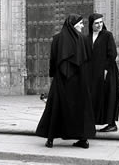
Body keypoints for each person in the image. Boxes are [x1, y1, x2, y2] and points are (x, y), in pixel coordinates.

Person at [36, 14, 96, 149]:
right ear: (73, 24)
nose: (82, 26)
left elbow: (53, 60)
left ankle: (50, 139)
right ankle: (83, 139)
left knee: (56, 108)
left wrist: (53, 74)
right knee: (80, 108)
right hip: (79, 81)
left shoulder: (57, 39)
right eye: (80, 23)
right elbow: (88, 61)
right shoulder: (84, 40)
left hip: (61, 81)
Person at [87, 13, 119, 132]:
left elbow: (112, 54)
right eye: (96, 23)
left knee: (109, 96)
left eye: (101, 22)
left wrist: (106, 69)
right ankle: (93, 121)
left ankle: (112, 124)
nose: (99, 25)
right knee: (94, 96)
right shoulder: (87, 37)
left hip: (108, 72)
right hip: (93, 73)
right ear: (91, 24)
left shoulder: (107, 35)